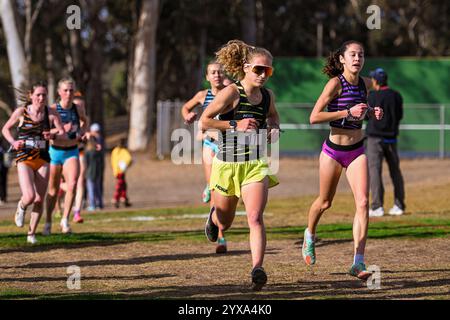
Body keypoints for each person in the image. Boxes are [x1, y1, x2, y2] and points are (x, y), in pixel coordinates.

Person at [200, 40, 280, 290]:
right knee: (226, 222)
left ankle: (257, 268)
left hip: (255, 164)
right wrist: (235, 125)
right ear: (246, 67)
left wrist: (274, 129)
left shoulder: (267, 96)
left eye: (267, 71)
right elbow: (204, 121)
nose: (262, 75)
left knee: (255, 217)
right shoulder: (231, 93)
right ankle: (215, 218)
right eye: (258, 69)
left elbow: (273, 116)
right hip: (226, 164)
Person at [301, 40, 383, 280]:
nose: (358, 58)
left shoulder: (366, 84)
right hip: (333, 152)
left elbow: (363, 110)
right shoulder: (335, 84)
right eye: (353, 55)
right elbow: (314, 117)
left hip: (357, 150)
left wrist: (372, 112)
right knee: (325, 202)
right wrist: (347, 113)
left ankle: (358, 261)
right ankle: (310, 233)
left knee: (364, 203)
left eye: (361, 55)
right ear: (342, 60)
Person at [1, 82, 64, 243]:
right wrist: (13, 142)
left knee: (39, 199)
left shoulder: (50, 113)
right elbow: (5, 129)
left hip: (42, 158)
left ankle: (31, 234)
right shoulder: (22, 112)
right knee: (29, 196)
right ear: (31, 96)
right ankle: (21, 206)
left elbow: (61, 131)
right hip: (24, 158)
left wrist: (52, 134)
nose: (41, 98)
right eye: (38, 95)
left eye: (44, 95)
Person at [181, 60, 228, 253]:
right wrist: (188, 115)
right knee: (215, 191)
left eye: (219, 72)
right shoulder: (203, 95)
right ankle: (221, 237)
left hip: (227, 146)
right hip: (209, 144)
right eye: (212, 72)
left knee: (225, 191)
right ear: (207, 77)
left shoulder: (231, 92)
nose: (216, 75)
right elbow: (185, 107)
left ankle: (210, 188)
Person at [43, 77, 88, 235]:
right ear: (59, 92)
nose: (68, 93)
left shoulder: (77, 109)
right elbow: (45, 133)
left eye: (71, 90)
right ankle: (48, 221)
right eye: (65, 90)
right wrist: (60, 130)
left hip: (72, 151)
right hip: (55, 152)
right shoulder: (52, 110)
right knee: (53, 191)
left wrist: (82, 133)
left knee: (73, 184)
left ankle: (65, 220)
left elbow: (85, 121)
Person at [366, 68, 405, 217]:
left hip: (375, 139)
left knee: (375, 171)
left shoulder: (372, 96)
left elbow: (366, 116)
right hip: (392, 139)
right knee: (395, 171)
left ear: (376, 81)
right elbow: (399, 116)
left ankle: (377, 206)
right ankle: (399, 205)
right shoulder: (396, 95)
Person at [72, 92, 89, 222]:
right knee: (61, 185)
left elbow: (87, 135)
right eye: (78, 105)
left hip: (80, 152)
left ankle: (77, 211)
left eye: (82, 105)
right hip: (63, 153)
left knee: (80, 180)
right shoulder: (65, 117)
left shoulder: (84, 120)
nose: (80, 108)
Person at [111, 138, 132, 208]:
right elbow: (129, 159)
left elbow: (112, 161)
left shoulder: (114, 151)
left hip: (116, 171)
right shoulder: (124, 151)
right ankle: (116, 198)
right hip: (121, 171)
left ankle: (124, 198)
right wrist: (126, 164)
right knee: (119, 185)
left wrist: (114, 168)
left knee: (123, 185)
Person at [85, 138, 104, 211]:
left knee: (91, 190)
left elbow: (86, 163)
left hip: (90, 173)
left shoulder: (88, 152)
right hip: (98, 173)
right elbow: (101, 163)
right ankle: (100, 204)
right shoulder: (98, 152)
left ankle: (92, 205)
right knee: (98, 189)